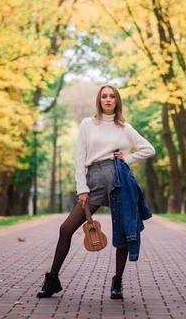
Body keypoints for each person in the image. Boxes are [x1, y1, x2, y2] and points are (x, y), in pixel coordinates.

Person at [36, 84, 155, 299]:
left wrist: (127, 158)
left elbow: (149, 149)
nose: (108, 100)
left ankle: (117, 283)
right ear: (99, 101)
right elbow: (80, 158)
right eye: (104, 97)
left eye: (112, 96)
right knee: (66, 228)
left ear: (117, 101)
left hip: (120, 180)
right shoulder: (87, 124)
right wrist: (82, 188)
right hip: (95, 180)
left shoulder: (125, 128)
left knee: (124, 233)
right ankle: (52, 279)